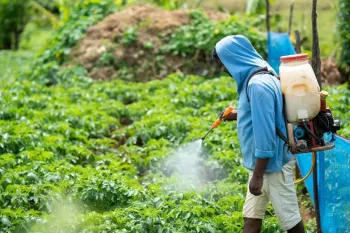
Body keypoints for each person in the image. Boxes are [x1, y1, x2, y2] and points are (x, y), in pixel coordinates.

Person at [212, 35, 305, 233]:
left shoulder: (257, 86)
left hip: (271, 168)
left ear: (236, 59)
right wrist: (239, 114)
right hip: (263, 166)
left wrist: (258, 175)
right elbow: (269, 112)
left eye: (224, 64)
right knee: (251, 218)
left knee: (291, 223)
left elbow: (265, 133)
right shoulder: (265, 72)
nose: (224, 69)